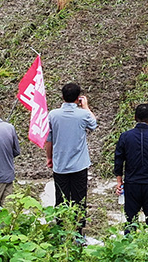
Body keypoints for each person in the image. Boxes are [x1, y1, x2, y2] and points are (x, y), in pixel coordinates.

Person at [46, 83, 97, 227]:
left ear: (62, 97)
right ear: (78, 98)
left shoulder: (53, 115)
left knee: (61, 199)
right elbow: (93, 124)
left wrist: (49, 158)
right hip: (79, 165)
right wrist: (85, 106)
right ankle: (79, 233)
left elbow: (48, 140)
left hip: (60, 164)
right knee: (79, 200)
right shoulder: (83, 114)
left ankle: (61, 232)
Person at [113, 103, 148, 230]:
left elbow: (118, 160)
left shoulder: (125, 136)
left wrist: (119, 181)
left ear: (135, 117)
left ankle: (128, 245)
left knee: (130, 220)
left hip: (132, 183)